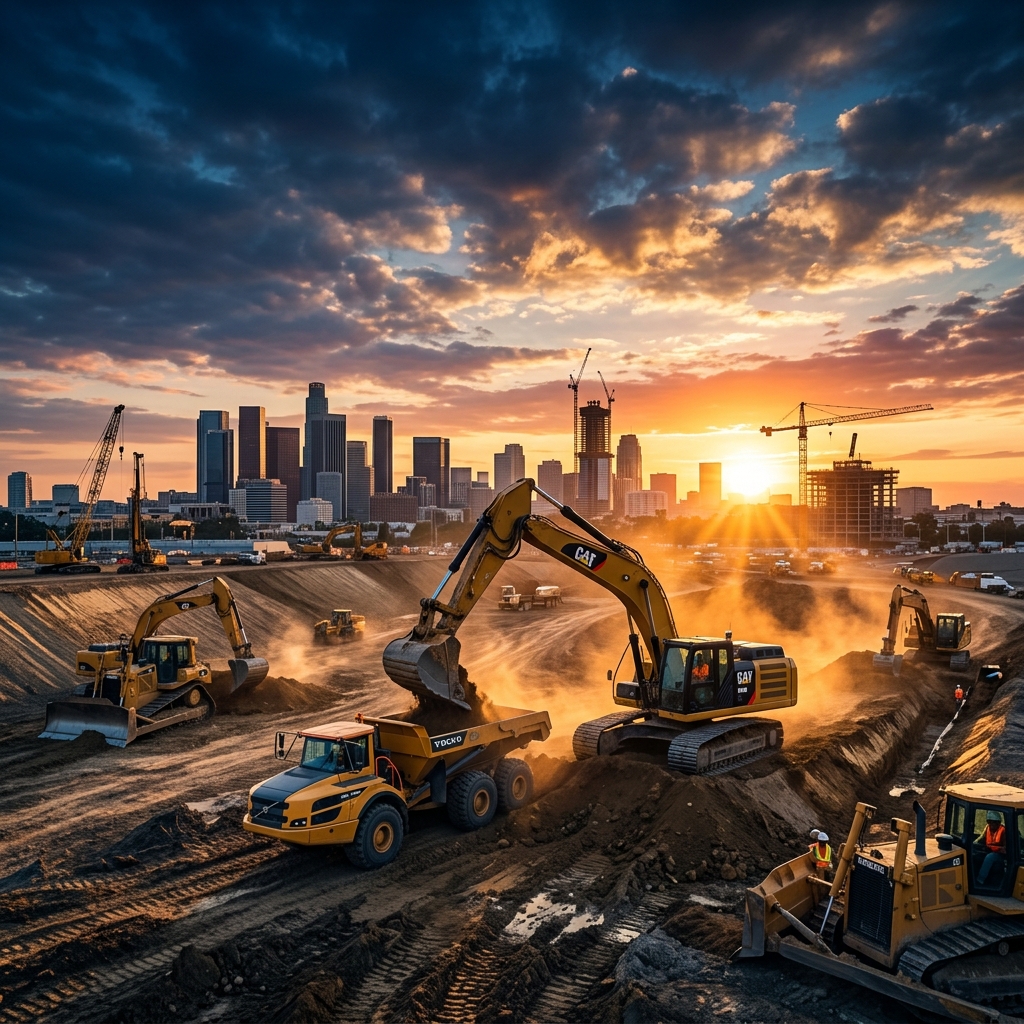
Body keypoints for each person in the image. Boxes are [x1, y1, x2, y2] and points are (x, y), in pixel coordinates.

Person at [976, 810, 1006, 886]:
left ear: (998, 822)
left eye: (994, 822)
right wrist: (974, 843)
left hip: (1001, 855)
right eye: (990, 822)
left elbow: (1006, 848)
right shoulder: (987, 828)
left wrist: (1002, 849)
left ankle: (980, 880)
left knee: (990, 857)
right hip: (989, 850)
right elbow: (981, 838)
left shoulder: (1003, 831)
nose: (991, 824)